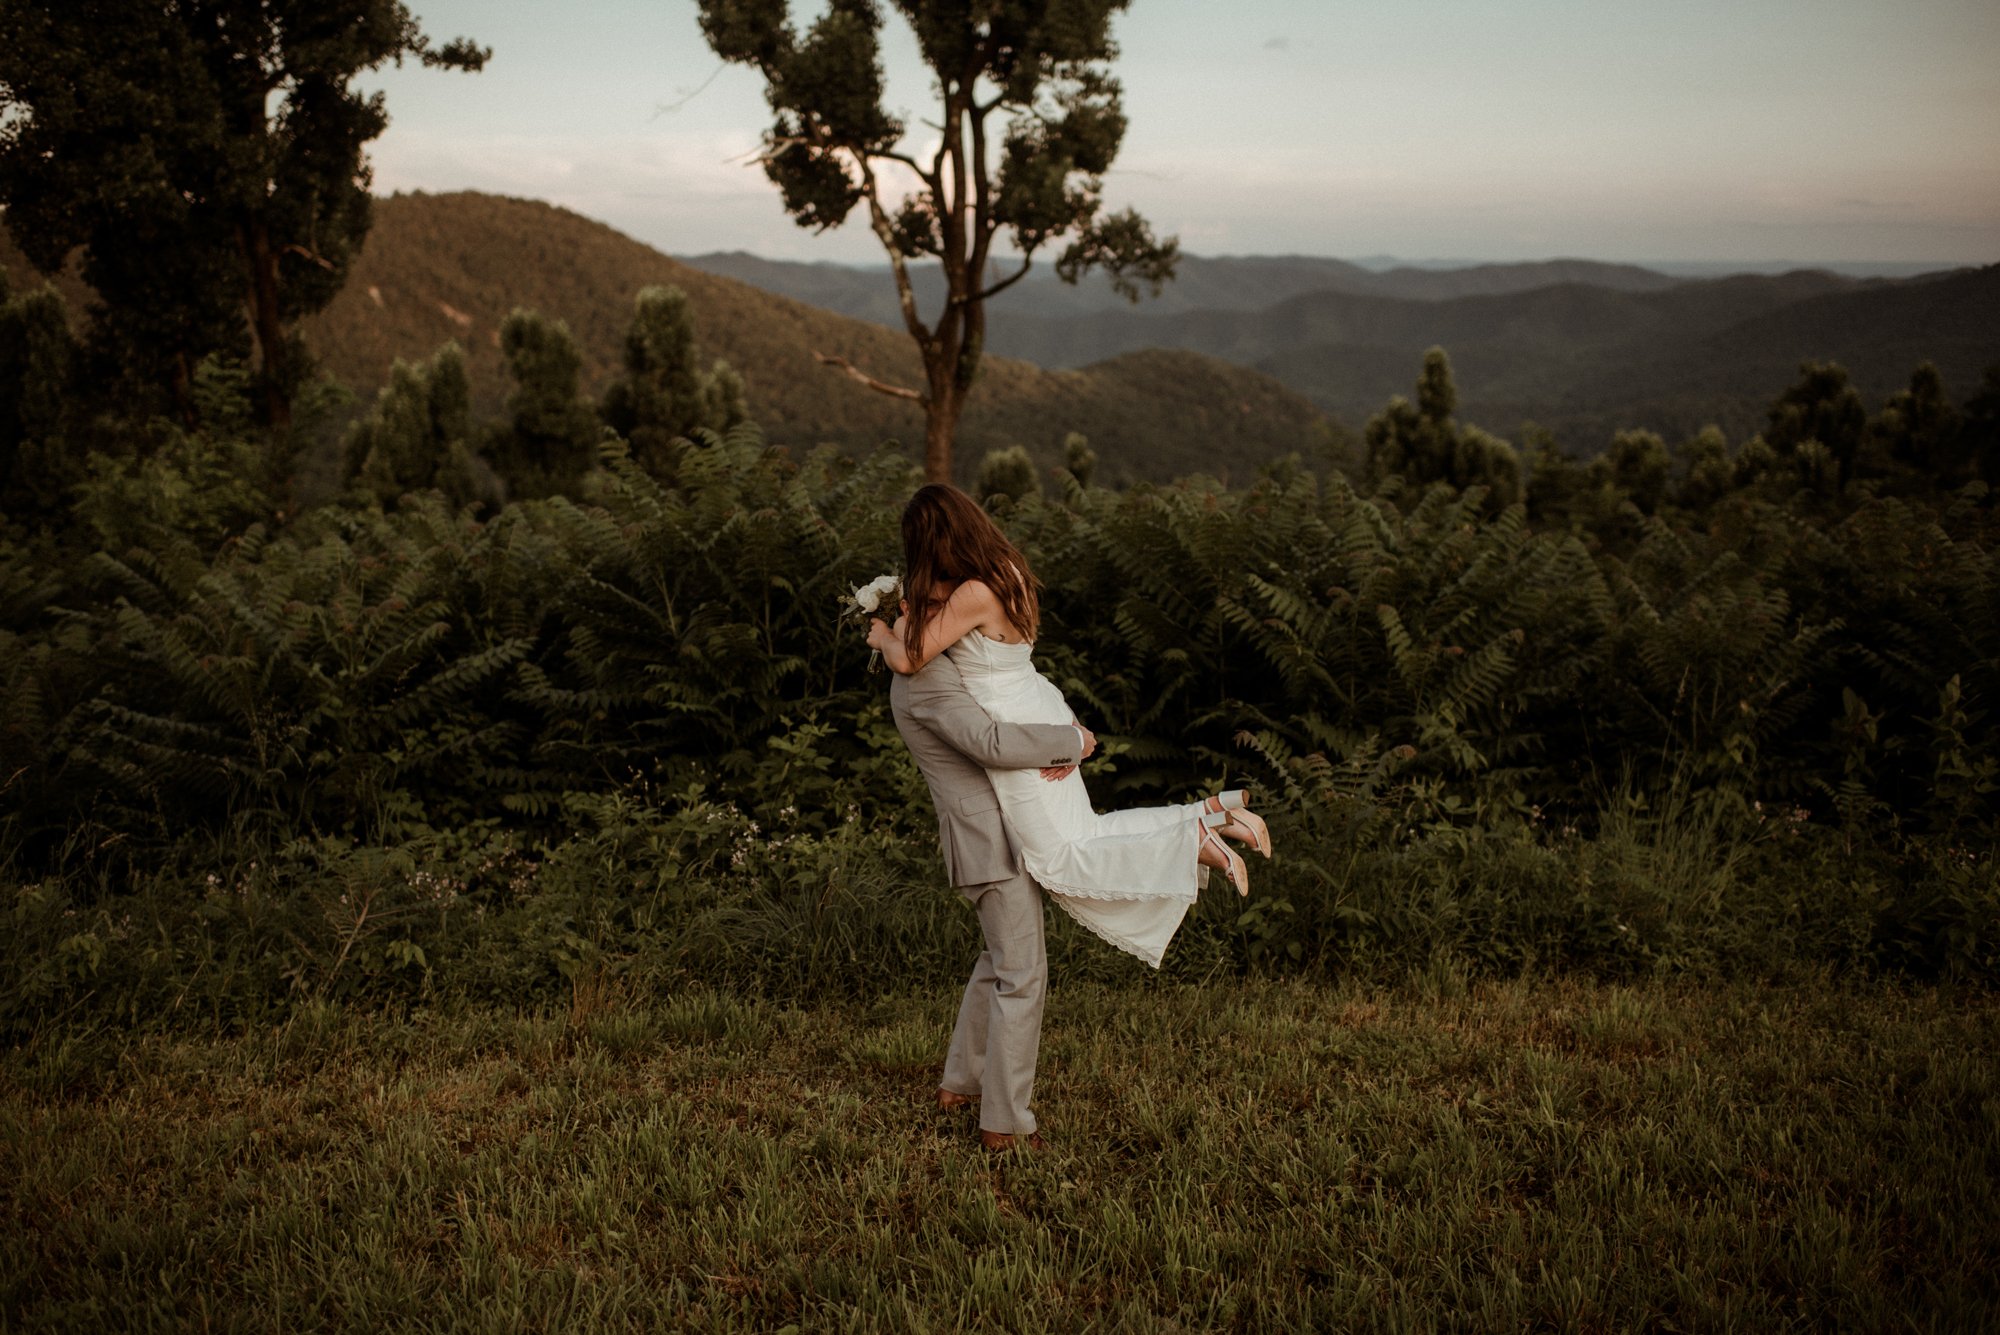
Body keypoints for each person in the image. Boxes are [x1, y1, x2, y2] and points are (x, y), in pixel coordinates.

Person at [868, 484, 1271, 1150]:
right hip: (990, 831)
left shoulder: (933, 650)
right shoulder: (937, 664)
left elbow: (959, 696)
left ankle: (964, 1085)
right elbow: (988, 739)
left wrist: (888, 631)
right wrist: (1071, 737)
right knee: (1020, 966)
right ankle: (1002, 1121)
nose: (922, 600)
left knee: (1013, 948)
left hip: (1017, 786)